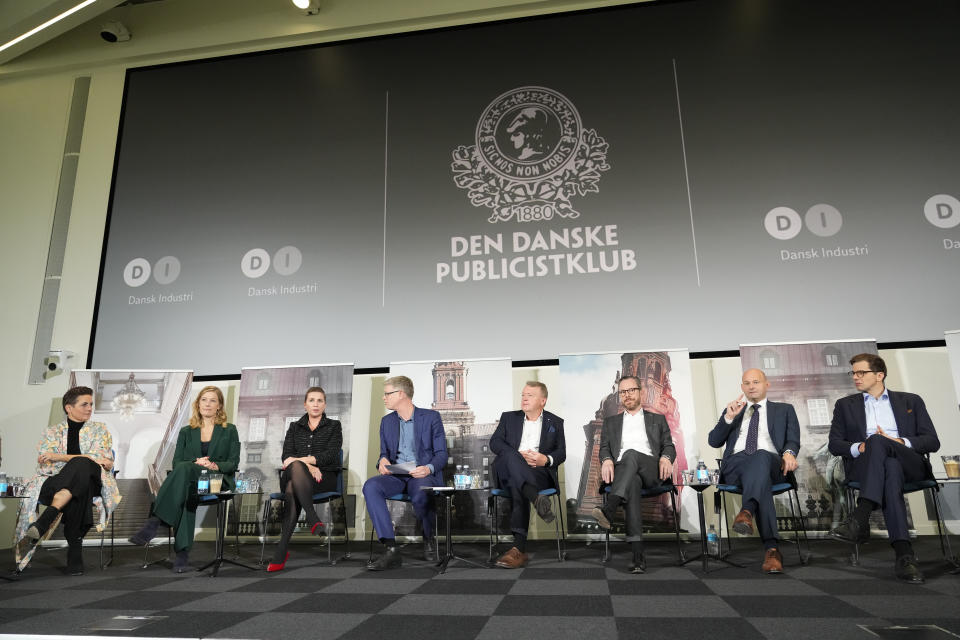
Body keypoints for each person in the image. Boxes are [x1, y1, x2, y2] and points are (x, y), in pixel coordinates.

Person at [828, 353, 940, 584]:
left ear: (880, 375)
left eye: (861, 373)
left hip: (911, 463)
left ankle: (861, 516)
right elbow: (835, 444)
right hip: (868, 466)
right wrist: (861, 446)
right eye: (853, 373)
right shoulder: (845, 405)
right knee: (888, 463)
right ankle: (904, 556)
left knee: (881, 443)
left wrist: (900, 442)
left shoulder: (911, 401)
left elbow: (931, 441)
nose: (855, 378)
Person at [128, 386, 240, 573]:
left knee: (184, 472)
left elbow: (233, 462)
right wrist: (196, 462)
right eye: (204, 399)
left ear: (219, 405)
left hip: (216, 479)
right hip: (191, 480)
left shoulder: (229, 430)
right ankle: (182, 553)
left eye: (212, 400)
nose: (207, 404)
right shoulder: (186, 431)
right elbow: (177, 461)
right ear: (198, 403)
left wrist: (214, 465)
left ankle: (155, 522)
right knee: (186, 487)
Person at [14, 386, 121, 575]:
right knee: (74, 488)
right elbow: (45, 466)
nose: (89, 408)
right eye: (84, 404)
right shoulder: (52, 432)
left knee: (82, 466)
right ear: (68, 408)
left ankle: (46, 519)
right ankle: (75, 553)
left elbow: (97, 459)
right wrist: (78, 459)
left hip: (95, 480)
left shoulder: (100, 429)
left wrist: (59, 457)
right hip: (56, 482)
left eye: (91, 404)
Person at [708, 369, 800, 574]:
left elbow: (793, 440)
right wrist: (728, 418)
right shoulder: (734, 411)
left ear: (767, 384)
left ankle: (747, 511)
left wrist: (789, 453)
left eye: (756, 382)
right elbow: (714, 441)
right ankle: (772, 550)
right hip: (736, 465)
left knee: (760, 456)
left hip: (773, 464)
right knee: (761, 476)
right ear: (742, 387)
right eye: (747, 383)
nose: (751, 386)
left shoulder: (785, 409)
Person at [591, 376, 675, 574]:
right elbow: (604, 448)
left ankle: (610, 508)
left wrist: (666, 457)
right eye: (623, 392)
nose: (627, 395)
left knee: (631, 454)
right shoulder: (611, 422)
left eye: (631, 390)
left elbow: (669, 445)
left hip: (651, 469)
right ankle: (638, 556)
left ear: (640, 392)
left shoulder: (657, 419)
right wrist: (607, 460)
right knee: (633, 483)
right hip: (624, 472)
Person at [362, 376, 446, 571]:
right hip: (396, 475)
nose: (384, 398)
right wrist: (382, 461)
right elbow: (384, 454)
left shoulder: (431, 417)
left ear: (401, 394)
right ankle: (391, 549)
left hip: (421, 473)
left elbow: (442, 454)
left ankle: (428, 538)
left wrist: (428, 468)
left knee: (420, 493)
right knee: (371, 486)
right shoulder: (386, 422)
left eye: (387, 393)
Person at [490, 381, 566, 569]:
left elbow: (561, 453)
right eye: (523, 394)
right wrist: (515, 456)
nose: (524, 398)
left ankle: (517, 549)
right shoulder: (509, 418)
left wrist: (545, 459)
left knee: (520, 482)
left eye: (530, 395)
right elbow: (495, 443)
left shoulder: (555, 422)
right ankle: (534, 497)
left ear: (543, 400)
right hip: (507, 471)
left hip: (537, 471)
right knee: (510, 457)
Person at [267, 386, 342, 572]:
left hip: (323, 479)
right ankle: (312, 515)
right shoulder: (294, 427)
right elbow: (286, 457)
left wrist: (299, 462)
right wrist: (307, 465)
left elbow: (330, 455)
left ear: (325, 404)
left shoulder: (334, 426)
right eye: (312, 400)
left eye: (319, 400)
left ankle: (281, 551)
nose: (315, 404)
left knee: (293, 486)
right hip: (299, 474)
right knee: (295, 472)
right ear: (305, 404)